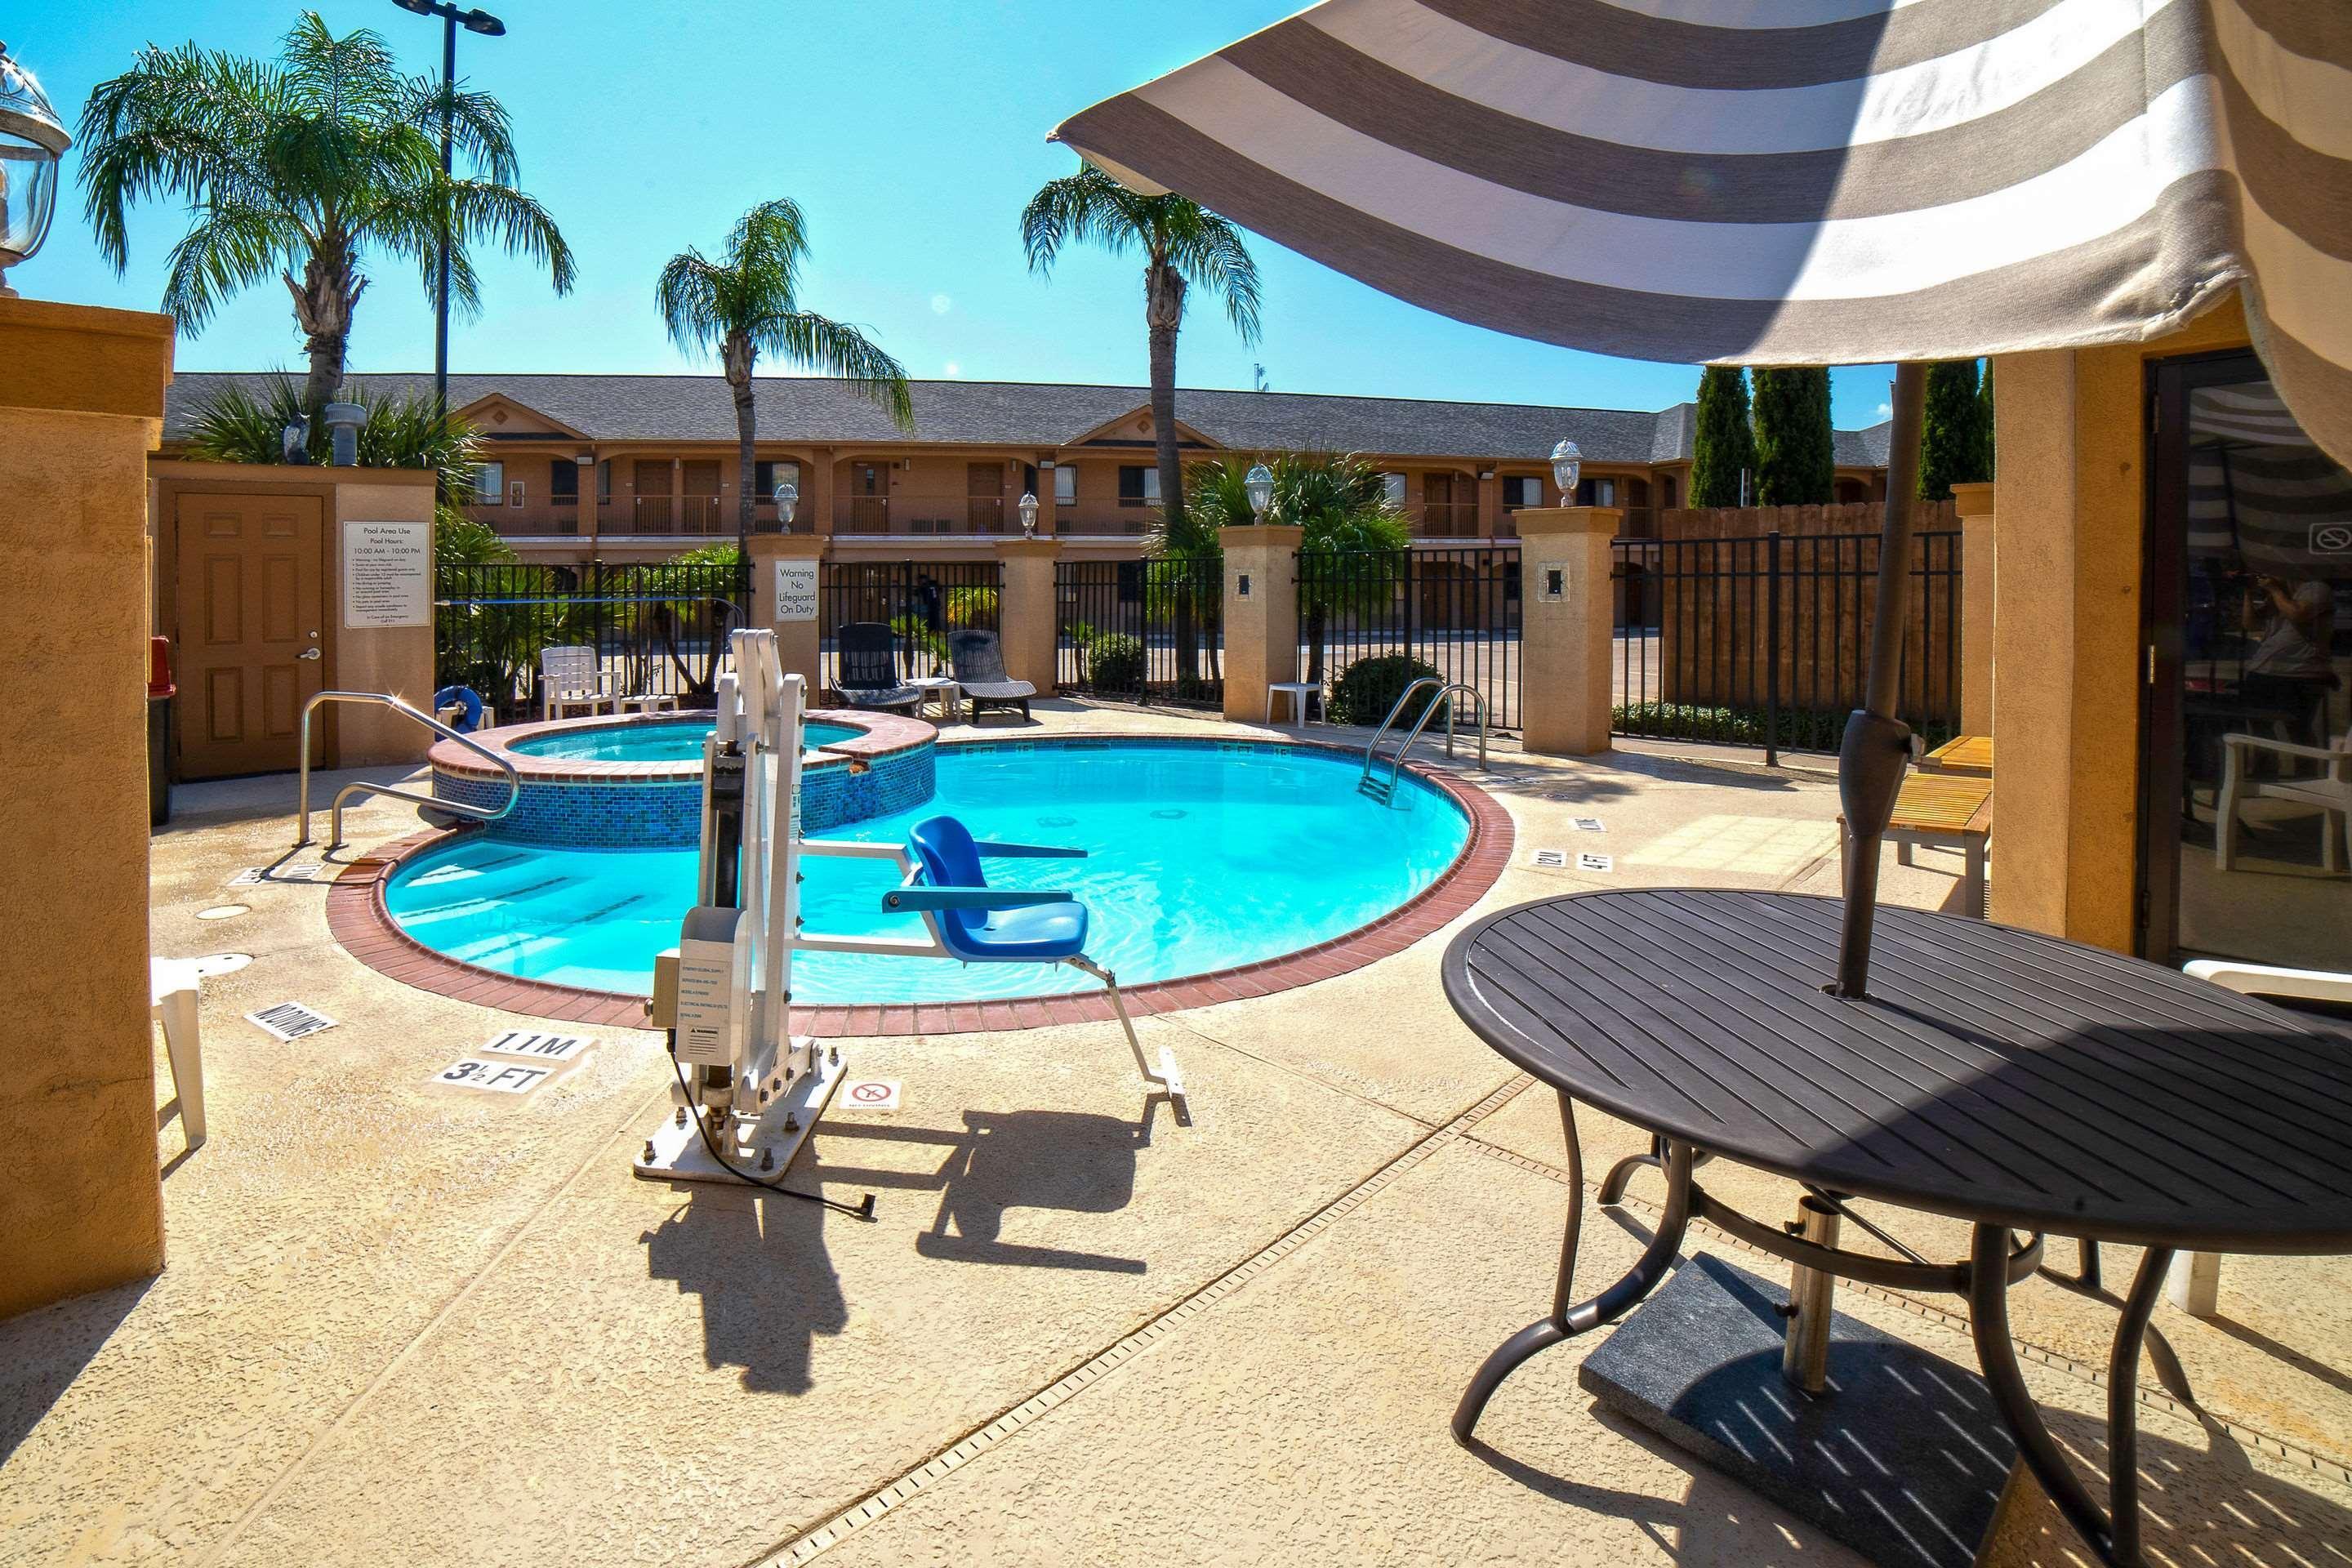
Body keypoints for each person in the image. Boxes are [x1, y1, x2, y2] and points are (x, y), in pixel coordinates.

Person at [2242, 571, 2340, 742]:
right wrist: (2247, 593)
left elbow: (2298, 614)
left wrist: (2275, 590)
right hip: (2265, 669)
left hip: (2301, 672)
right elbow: (2250, 624)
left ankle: (2303, 760)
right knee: (2259, 725)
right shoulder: (2277, 595)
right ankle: (2266, 758)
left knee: (2298, 728)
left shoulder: (2315, 589)